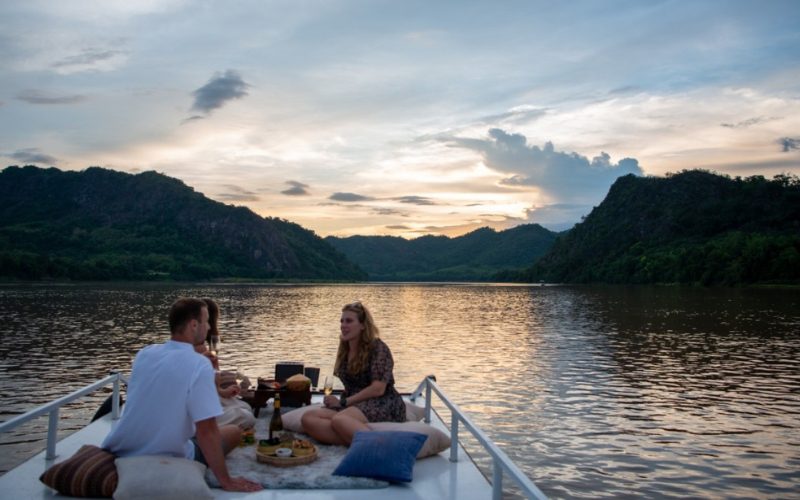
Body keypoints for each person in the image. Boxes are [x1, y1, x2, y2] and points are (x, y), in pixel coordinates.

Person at [101, 297, 261, 493]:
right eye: (207, 321)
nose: (209, 326)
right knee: (234, 432)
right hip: (170, 455)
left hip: (123, 449)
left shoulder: (145, 353)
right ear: (194, 325)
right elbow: (207, 431)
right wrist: (226, 481)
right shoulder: (198, 363)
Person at [301, 301, 405, 445]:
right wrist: (337, 401)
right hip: (354, 403)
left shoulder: (378, 348)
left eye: (349, 321)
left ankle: (378, 446)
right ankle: (355, 439)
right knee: (308, 418)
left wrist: (343, 402)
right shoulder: (345, 349)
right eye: (342, 321)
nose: (343, 325)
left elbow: (378, 389)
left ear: (362, 325)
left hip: (382, 402)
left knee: (340, 419)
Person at [198, 298, 255, 430]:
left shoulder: (208, 347)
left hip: (212, 396)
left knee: (246, 407)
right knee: (246, 416)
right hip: (201, 406)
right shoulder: (197, 350)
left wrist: (224, 392)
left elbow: (213, 383)